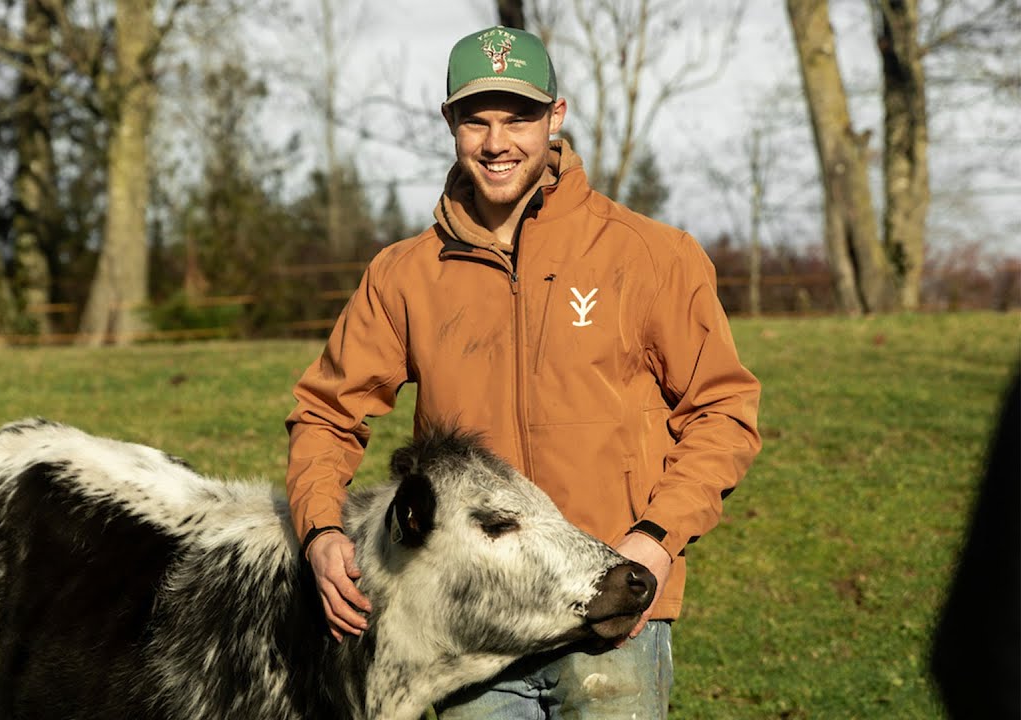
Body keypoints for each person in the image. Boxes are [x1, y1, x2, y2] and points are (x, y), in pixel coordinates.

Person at [285, 25, 761, 719]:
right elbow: (326, 413)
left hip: (612, 618)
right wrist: (321, 530)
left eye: (519, 118)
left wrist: (653, 541)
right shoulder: (404, 275)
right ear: (451, 123)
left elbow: (723, 413)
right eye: (476, 120)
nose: (497, 141)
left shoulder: (653, 256)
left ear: (556, 117)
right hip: (472, 628)